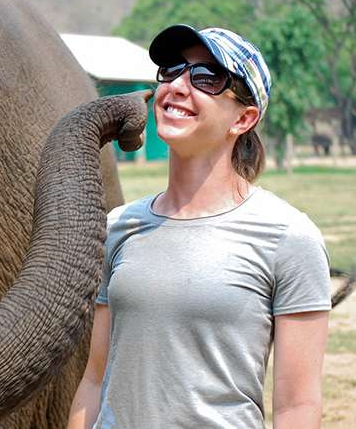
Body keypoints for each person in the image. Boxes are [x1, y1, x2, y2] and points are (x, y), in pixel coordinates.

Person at [67, 25, 331, 429]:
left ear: (244, 118)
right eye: (171, 71)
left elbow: (298, 405)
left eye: (206, 77)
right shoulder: (119, 227)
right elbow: (95, 379)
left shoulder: (288, 237)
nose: (177, 85)